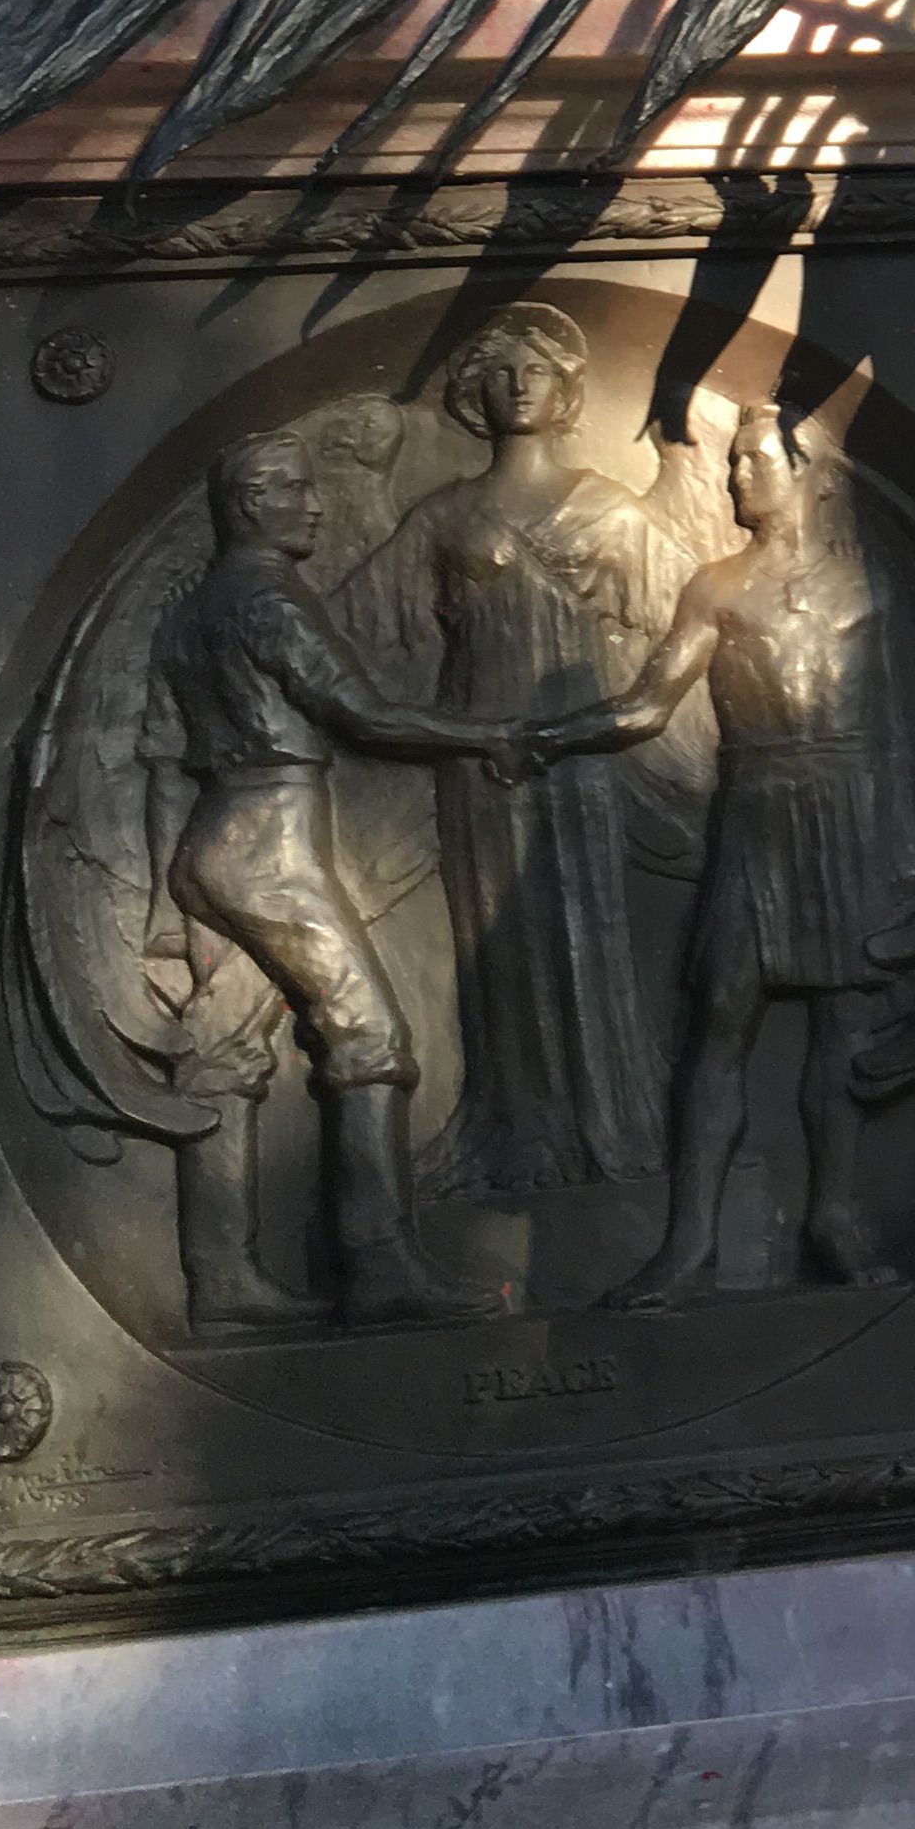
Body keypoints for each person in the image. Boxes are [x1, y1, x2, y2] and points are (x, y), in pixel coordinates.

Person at [515, 405, 915, 1301]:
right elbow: (647, 704)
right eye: (734, 462)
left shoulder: (873, 586)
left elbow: (899, 729)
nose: (738, 477)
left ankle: (834, 1218)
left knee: (841, 1030)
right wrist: (542, 737)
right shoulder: (717, 585)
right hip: (759, 810)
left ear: (809, 468)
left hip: (849, 813)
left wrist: (903, 848)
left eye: (753, 460)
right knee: (721, 1025)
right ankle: (688, 1245)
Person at [140, 428, 514, 1329]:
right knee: (371, 1035)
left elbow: (160, 754)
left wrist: (167, 887)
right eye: (297, 490)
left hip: (213, 836)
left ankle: (220, 1277)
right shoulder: (268, 599)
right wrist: (490, 734)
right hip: (271, 842)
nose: (317, 504)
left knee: (224, 1050)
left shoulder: (189, 610)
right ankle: (378, 1263)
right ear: (251, 505)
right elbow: (365, 713)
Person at [363, 304, 679, 1197]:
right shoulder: (444, 516)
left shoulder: (607, 509)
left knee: (584, 925)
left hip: (575, 741)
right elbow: (361, 620)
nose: (517, 385)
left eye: (534, 370)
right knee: (495, 941)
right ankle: (513, 1130)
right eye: (498, 373)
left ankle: (609, 1127)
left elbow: (688, 615)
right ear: (473, 394)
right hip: (477, 748)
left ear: (567, 389)